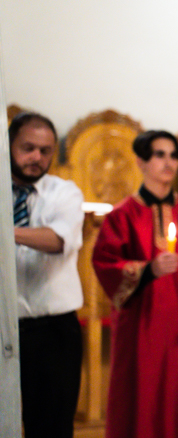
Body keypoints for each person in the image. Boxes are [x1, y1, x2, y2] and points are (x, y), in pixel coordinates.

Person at [92, 130, 178, 438]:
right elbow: (106, 263)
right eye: (159, 155)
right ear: (141, 162)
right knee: (140, 398)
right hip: (139, 326)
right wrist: (147, 269)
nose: (168, 162)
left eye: (174, 155)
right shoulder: (122, 215)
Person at [10, 112, 84, 438]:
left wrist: (4, 231)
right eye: (28, 148)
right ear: (8, 145)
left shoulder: (65, 193)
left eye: (45, 150)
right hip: (4, 328)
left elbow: (57, 240)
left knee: (51, 428)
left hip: (53, 331)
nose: (36, 158)